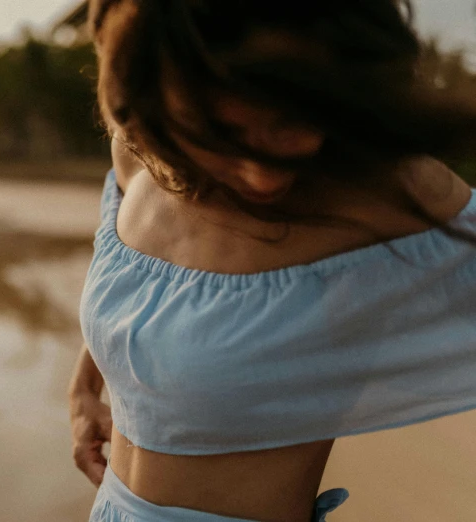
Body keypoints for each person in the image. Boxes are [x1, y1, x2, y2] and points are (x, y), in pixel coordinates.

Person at [68, 1, 476, 521]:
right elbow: (135, 288)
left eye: (295, 120)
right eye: (224, 131)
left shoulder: (391, 195)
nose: (262, 176)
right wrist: (83, 388)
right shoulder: (142, 156)